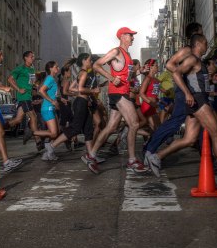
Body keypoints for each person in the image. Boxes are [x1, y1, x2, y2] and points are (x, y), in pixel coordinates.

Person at [146, 35, 217, 184]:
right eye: (205, 43)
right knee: (216, 133)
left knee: (189, 139)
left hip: (197, 101)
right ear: (198, 44)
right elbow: (176, 72)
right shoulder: (192, 59)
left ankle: (157, 157)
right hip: (198, 101)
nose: (207, 46)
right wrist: (187, 92)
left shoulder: (199, 61)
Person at [83, 27, 148, 174]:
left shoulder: (128, 55)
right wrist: (111, 78)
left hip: (122, 92)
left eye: (132, 35)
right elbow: (96, 65)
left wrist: (140, 71)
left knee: (111, 127)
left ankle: (91, 155)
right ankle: (132, 160)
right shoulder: (116, 51)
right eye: (130, 35)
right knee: (135, 123)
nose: (133, 38)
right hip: (118, 93)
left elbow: (128, 77)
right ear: (122, 36)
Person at [142, 22, 203, 160]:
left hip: (193, 92)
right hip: (184, 92)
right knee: (175, 122)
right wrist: (180, 77)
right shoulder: (187, 50)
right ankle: (149, 149)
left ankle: (211, 157)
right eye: (201, 31)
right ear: (195, 33)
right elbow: (169, 64)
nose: (202, 34)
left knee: (203, 121)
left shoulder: (195, 51)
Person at [45, 54, 99, 160]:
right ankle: (51, 146)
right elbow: (81, 89)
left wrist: (85, 96)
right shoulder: (83, 73)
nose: (90, 62)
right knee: (75, 128)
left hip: (84, 102)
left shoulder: (81, 73)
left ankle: (91, 155)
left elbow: (72, 88)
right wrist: (93, 91)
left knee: (88, 130)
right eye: (89, 60)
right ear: (84, 61)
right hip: (80, 103)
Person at [6, 51, 41, 149]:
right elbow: (10, 79)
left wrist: (35, 84)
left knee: (18, 119)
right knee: (33, 117)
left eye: (33, 56)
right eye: (31, 56)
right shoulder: (21, 68)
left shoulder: (32, 69)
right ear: (25, 58)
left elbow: (32, 82)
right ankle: (38, 141)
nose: (33, 58)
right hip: (24, 96)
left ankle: (2, 127)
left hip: (28, 96)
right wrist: (19, 89)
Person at [36, 61, 61, 160]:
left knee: (56, 132)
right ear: (50, 68)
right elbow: (41, 90)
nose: (58, 68)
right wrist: (52, 101)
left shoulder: (52, 79)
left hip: (51, 108)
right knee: (54, 133)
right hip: (47, 108)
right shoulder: (50, 78)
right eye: (56, 67)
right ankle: (33, 133)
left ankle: (47, 154)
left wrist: (57, 100)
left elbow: (49, 94)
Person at [139, 59, 161, 131]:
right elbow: (141, 93)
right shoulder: (147, 78)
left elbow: (154, 94)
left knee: (158, 128)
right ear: (151, 67)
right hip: (147, 106)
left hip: (153, 106)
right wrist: (151, 103)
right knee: (155, 128)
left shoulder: (156, 79)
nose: (158, 67)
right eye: (156, 65)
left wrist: (160, 101)